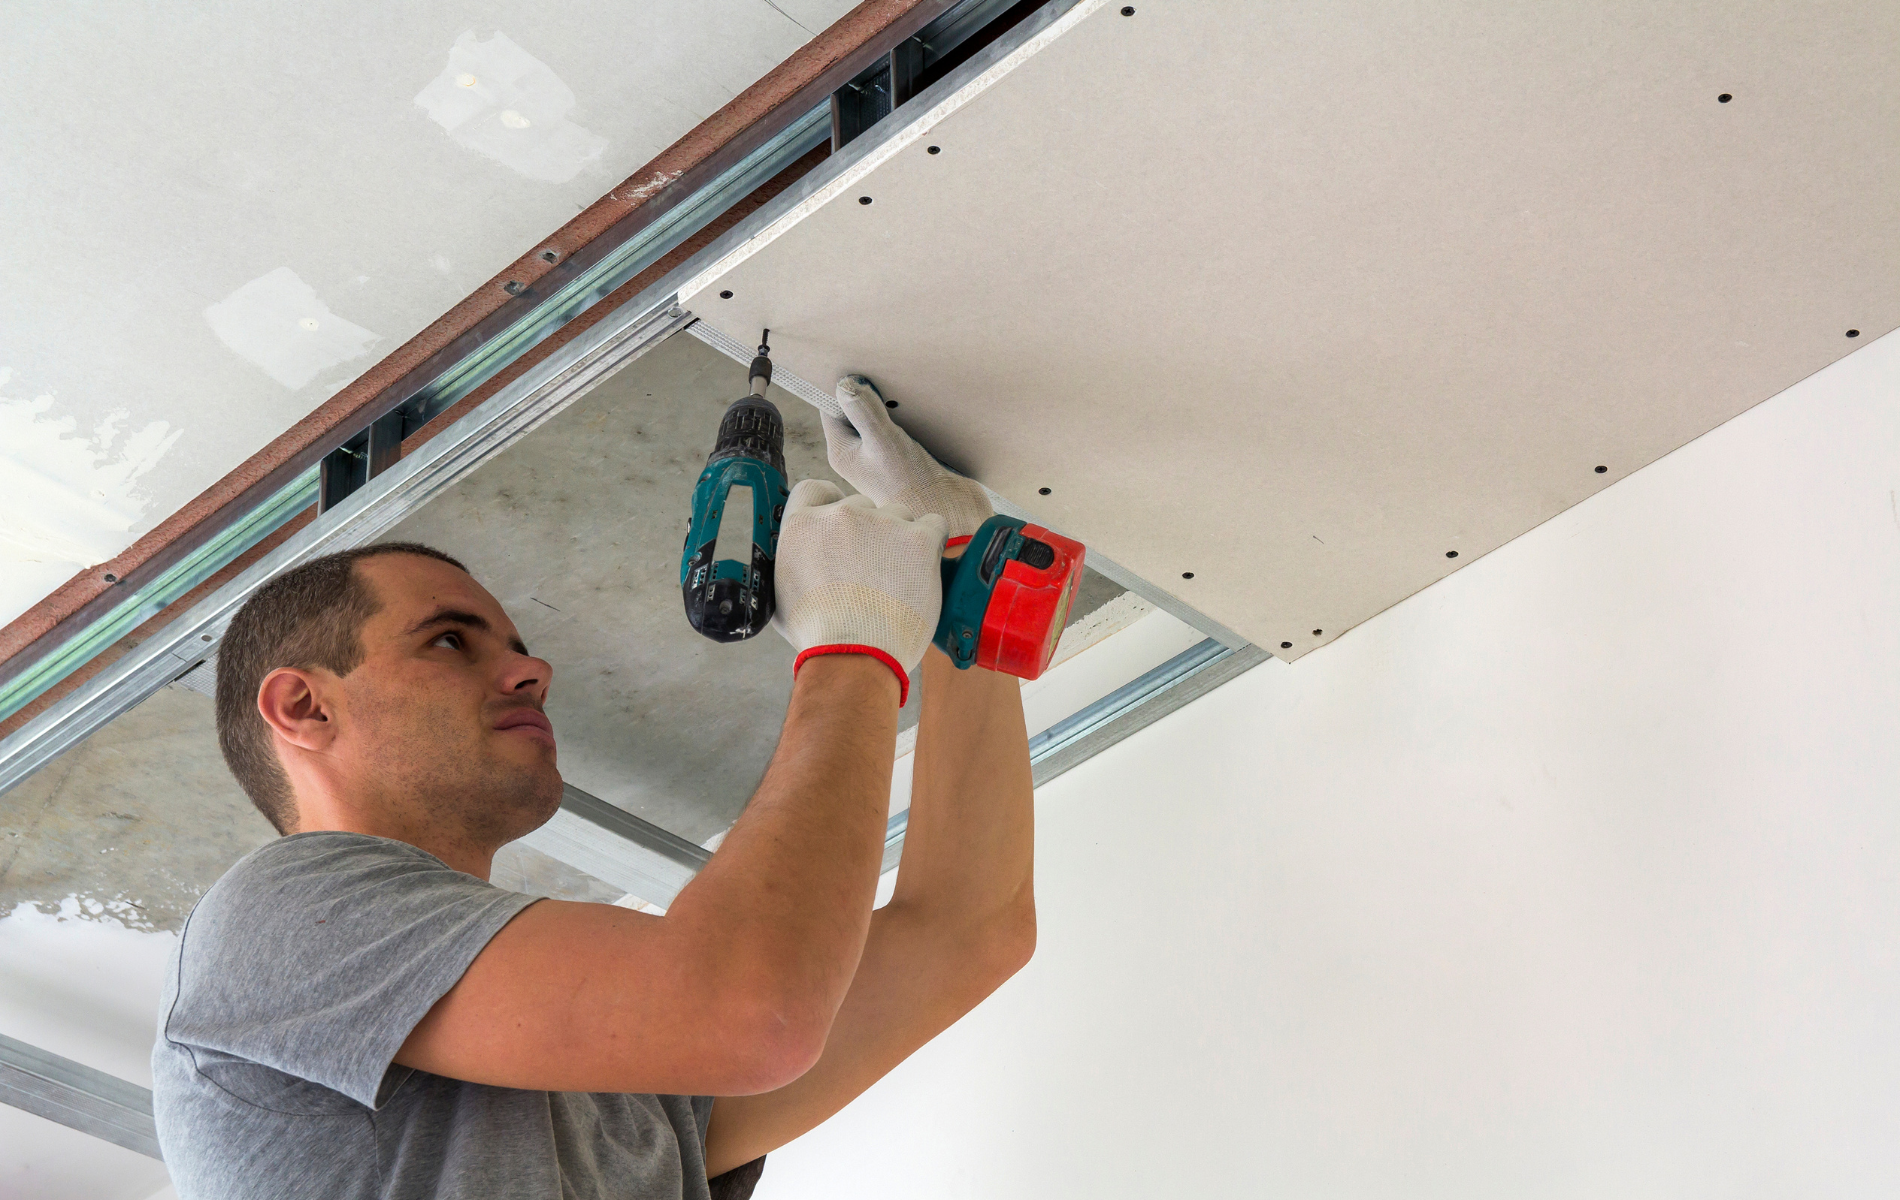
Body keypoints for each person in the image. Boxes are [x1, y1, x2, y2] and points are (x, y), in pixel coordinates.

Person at [151, 377, 1036, 1199]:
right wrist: (854, 645)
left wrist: (960, 579)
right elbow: (754, 1012)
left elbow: (968, 929)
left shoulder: (598, 1078)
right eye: (450, 642)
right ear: (302, 706)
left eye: (514, 646)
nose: (532, 670)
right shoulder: (272, 920)